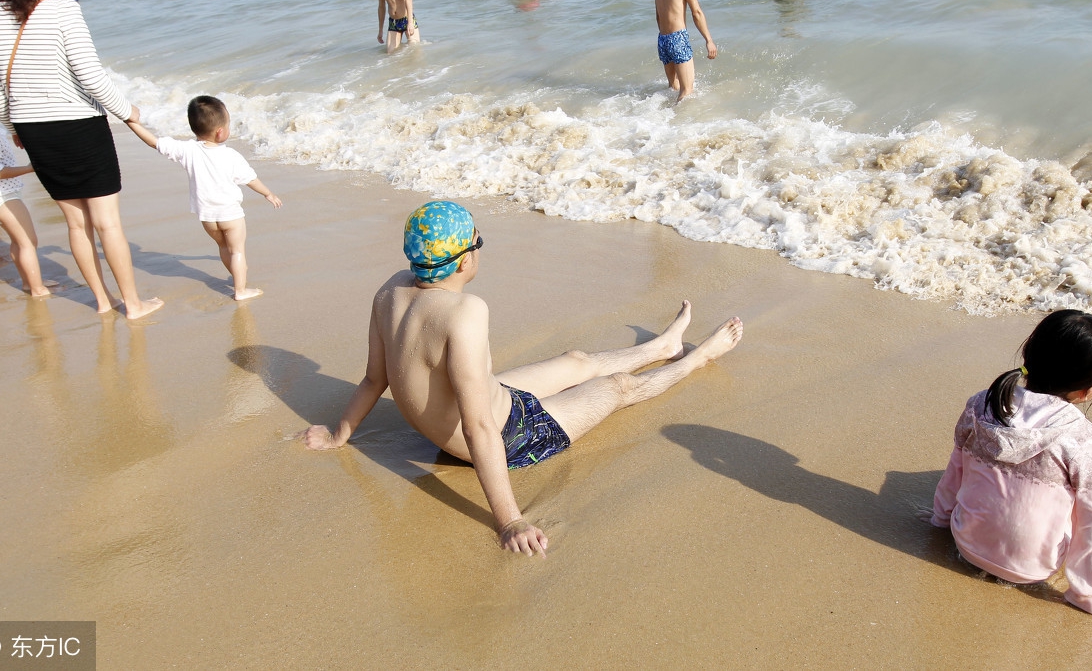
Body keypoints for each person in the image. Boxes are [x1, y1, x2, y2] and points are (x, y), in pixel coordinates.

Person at [298, 201, 743, 556]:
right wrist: (510, 519)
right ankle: (695, 359)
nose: (478, 251)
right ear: (461, 264)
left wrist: (341, 434)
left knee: (576, 361)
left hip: (494, 404)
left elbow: (374, 378)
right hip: (510, 437)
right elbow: (478, 426)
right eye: (477, 242)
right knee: (618, 388)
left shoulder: (391, 289)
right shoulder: (464, 311)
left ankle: (660, 348)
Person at [0, 0, 162, 319]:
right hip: (79, 125)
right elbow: (90, 75)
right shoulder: (63, 10)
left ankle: (104, 302)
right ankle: (134, 304)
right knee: (107, 223)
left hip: (35, 132)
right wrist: (127, 110)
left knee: (76, 224)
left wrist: (14, 126)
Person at [929, 310, 1092, 620]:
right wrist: (1087, 594)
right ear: (1089, 391)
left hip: (965, 542)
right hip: (1034, 569)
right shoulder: (1083, 437)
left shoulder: (982, 403)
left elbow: (957, 467)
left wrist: (941, 518)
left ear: (1026, 354)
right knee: (1089, 502)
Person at [125, 97, 282, 301]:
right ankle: (240, 289)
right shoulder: (231, 156)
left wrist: (132, 122)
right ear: (220, 132)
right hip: (230, 214)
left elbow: (153, 142)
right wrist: (268, 193)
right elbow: (251, 179)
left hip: (207, 217)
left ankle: (237, 277)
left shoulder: (187, 150)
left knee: (224, 248)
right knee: (237, 251)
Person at [0, 71, 51, 298]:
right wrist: (32, 167)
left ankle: (28, 283)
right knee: (28, 241)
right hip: (1, 195)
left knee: (19, 240)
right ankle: (37, 289)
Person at [654, 0, 716, 103]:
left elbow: (658, 16)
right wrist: (708, 39)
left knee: (673, 87)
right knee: (687, 90)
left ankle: (664, 121)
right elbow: (696, 12)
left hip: (663, 39)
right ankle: (676, 123)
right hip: (677, 37)